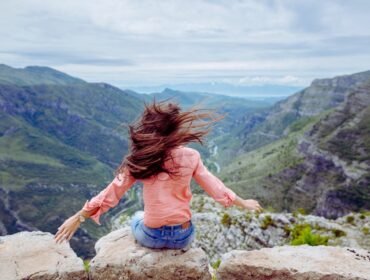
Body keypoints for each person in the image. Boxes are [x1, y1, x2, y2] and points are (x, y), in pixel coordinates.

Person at [54, 99, 263, 249]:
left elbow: (111, 193)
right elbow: (216, 187)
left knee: (137, 217)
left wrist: (80, 217)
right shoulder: (191, 156)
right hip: (183, 236)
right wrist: (244, 203)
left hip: (151, 237)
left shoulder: (142, 159)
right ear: (174, 129)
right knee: (181, 220)